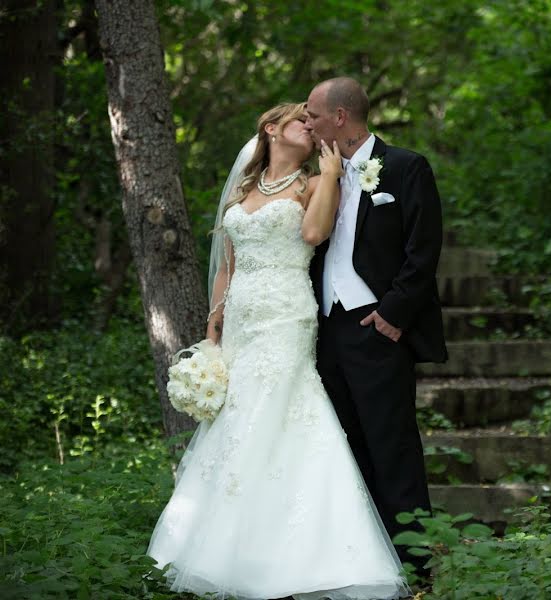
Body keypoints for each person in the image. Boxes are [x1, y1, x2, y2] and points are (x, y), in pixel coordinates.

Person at [147, 102, 411, 600]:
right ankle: (230, 541)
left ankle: (313, 551)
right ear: (271, 130)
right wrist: (214, 317)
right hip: (242, 315)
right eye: (299, 122)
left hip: (288, 311)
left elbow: (314, 234)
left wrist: (331, 174)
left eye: (313, 124)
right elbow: (227, 262)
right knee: (240, 413)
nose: (309, 129)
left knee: (284, 406)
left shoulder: (311, 184)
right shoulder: (243, 191)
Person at [304, 77, 448, 574]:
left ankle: (414, 565)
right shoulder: (318, 175)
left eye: (313, 115)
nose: (307, 123)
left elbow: (423, 250)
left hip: (378, 328)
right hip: (327, 333)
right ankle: (362, 566)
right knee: (343, 450)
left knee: (393, 446)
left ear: (340, 117)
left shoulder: (406, 167)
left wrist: (392, 314)